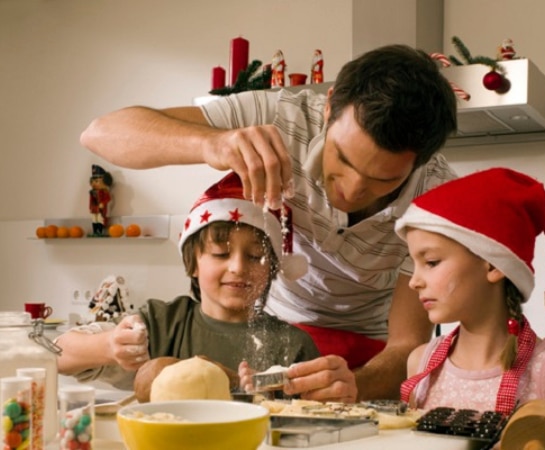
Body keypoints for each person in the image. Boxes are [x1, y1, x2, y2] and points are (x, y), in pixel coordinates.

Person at [79, 44, 458, 401]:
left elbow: (407, 345)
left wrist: (349, 385)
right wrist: (212, 143)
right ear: (327, 109)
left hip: (372, 353)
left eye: (384, 180)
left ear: (421, 162)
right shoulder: (280, 115)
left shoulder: (437, 192)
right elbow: (100, 134)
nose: (353, 190)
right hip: (278, 335)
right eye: (342, 159)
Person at [395, 167, 545, 444]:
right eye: (414, 263)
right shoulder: (420, 364)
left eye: (431, 262)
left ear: (493, 265)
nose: (414, 282)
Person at [56, 172, 320, 395]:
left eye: (255, 256)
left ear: (272, 268)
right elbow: (57, 355)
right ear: (193, 263)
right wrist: (109, 346)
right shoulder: (161, 325)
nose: (238, 268)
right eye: (221, 253)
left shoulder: (293, 345)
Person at [88, 164, 113, 236]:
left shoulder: (104, 192)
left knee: (100, 219)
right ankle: (95, 231)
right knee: (94, 220)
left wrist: (103, 203)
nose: (94, 184)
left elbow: (108, 198)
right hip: (94, 209)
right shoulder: (92, 192)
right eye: (92, 182)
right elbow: (91, 201)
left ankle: (100, 231)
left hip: (100, 209)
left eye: (96, 181)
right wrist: (90, 207)